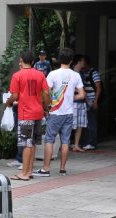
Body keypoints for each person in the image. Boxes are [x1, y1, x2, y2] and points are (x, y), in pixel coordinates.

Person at [35, 47, 84, 177]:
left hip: (55, 112)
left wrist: (47, 106)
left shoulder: (53, 74)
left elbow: (46, 93)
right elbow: (82, 94)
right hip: (69, 113)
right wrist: (70, 98)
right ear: (71, 60)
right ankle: (62, 169)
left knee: (49, 140)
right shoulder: (76, 75)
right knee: (65, 141)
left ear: (59, 59)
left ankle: (46, 169)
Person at [6, 52, 49, 180]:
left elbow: (14, 96)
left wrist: (8, 102)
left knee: (26, 144)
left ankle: (24, 173)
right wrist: (46, 107)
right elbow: (46, 93)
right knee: (33, 143)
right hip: (38, 112)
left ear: (21, 60)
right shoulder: (40, 74)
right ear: (33, 62)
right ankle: (29, 171)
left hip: (26, 113)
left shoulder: (17, 75)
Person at [79, 56, 102, 151]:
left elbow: (98, 88)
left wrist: (95, 101)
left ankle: (92, 143)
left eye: (82, 62)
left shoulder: (94, 73)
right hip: (86, 101)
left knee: (91, 123)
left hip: (92, 102)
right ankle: (86, 142)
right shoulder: (82, 73)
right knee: (86, 123)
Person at [71, 56, 87, 153]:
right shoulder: (71, 74)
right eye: (83, 60)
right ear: (78, 62)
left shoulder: (82, 74)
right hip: (73, 103)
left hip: (81, 102)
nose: (84, 62)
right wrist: (80, 91)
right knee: (70, 124)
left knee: (79, 125)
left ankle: (76, 145)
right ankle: (65, 144)